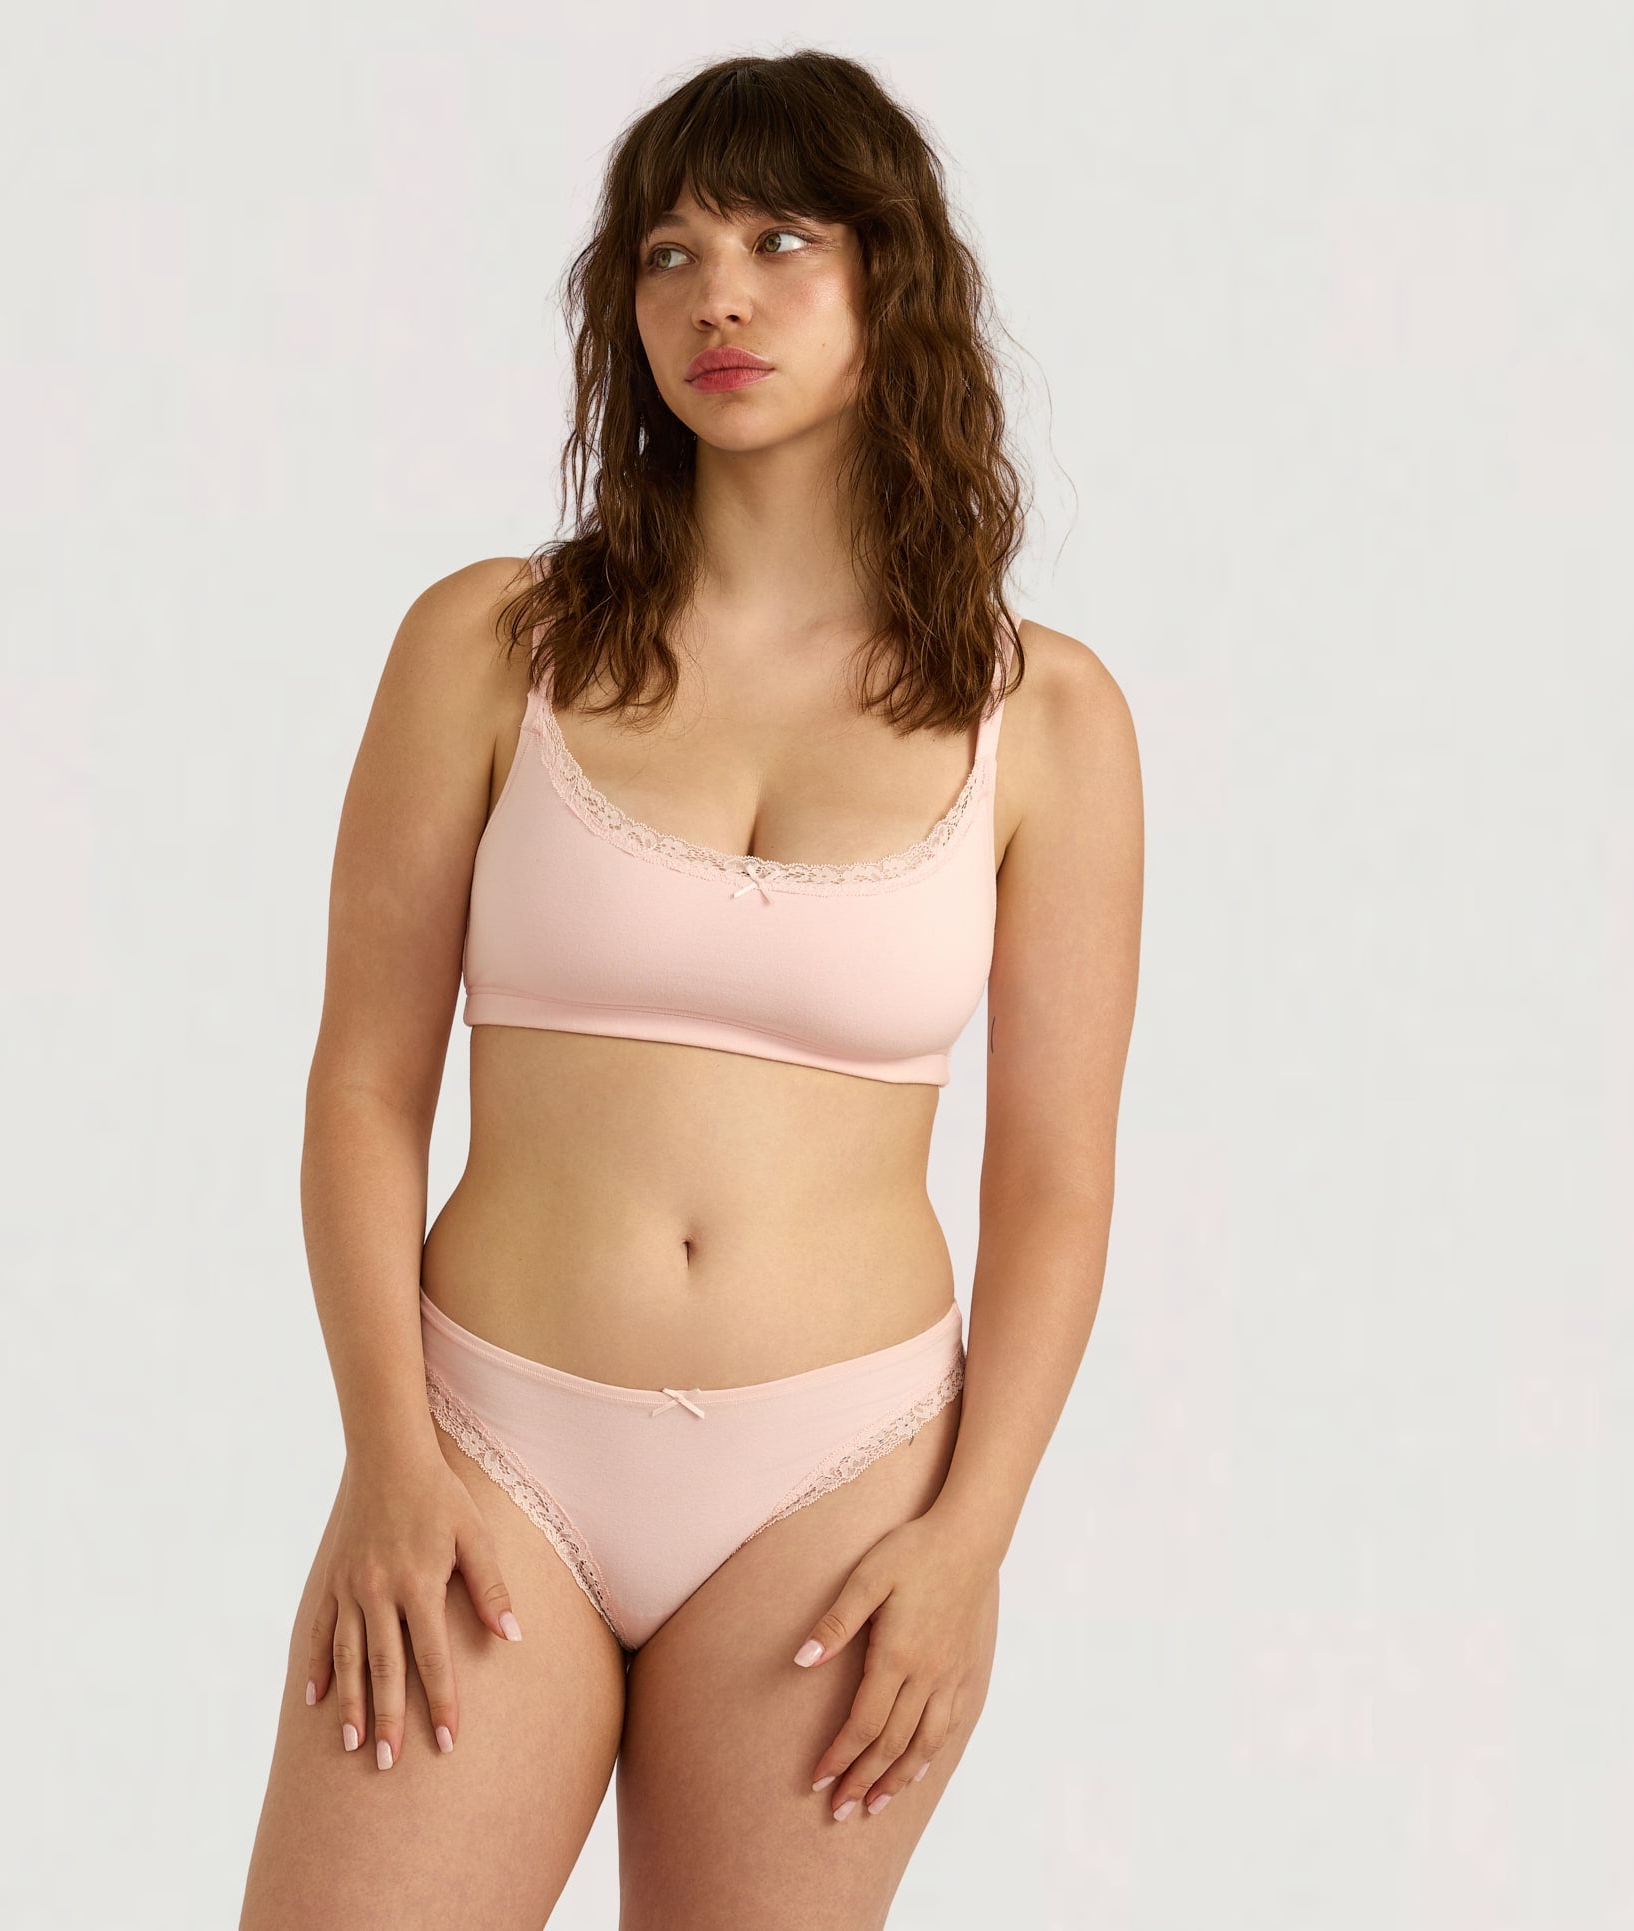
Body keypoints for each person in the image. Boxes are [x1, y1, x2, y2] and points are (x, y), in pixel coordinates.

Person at [239, 48, 1142, 1929]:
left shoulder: (1045, 716)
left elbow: (1056, 1181)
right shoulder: (489, 644)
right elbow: (362, 1088)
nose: (716, 295)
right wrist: (388, 1459)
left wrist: (971, 1542)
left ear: (892, 279)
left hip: (844, 1494)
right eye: (668, 253)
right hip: (484, 1458)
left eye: (779, 241)